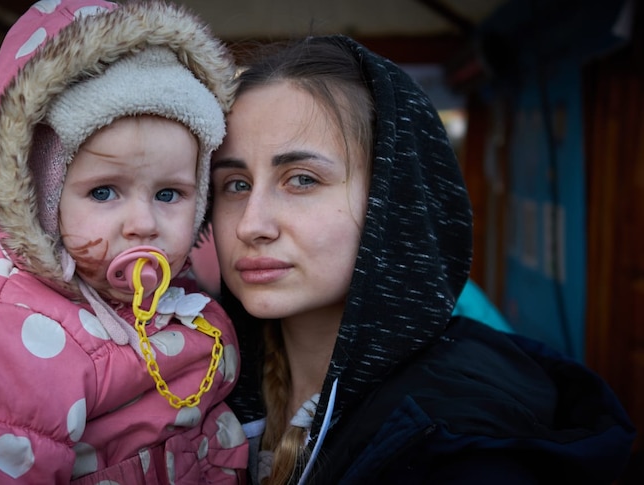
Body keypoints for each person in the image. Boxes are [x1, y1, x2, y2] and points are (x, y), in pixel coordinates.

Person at [210, 35, 635, 484]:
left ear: (393, 198)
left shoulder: (462, 447)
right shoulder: (196, 382)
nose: (250, 225)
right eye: (235, 184)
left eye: (301, 179)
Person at [0, 1, 247, 483]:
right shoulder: (4, 331)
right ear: (41, 199)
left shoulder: (179, 298)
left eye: (169, 193)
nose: (142, 223)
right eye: (103, 192)